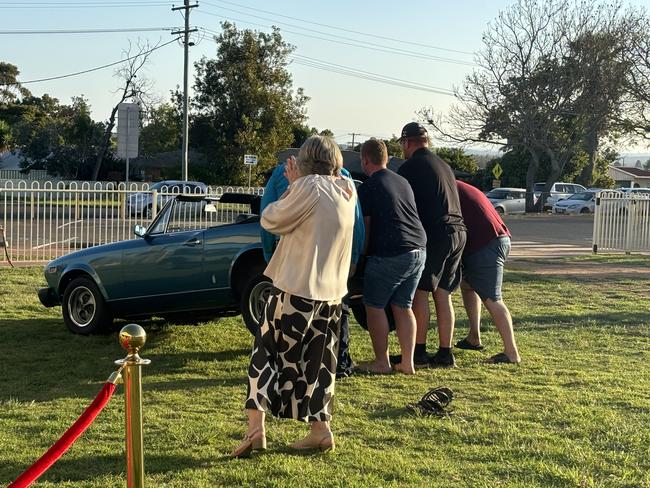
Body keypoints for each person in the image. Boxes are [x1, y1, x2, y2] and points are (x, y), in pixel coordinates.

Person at [232, 135, 357, 458]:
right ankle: (320, 430)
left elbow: (271, 218)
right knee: (320, 363)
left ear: (304, 161)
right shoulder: (347, 189)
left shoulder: (309, 187)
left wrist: (293, 185)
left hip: (295, 290)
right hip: (331, 294)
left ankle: (255, 430)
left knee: (266, 356)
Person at [260, 152, 365, 378]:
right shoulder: (345, 183)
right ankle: (341, 363)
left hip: (296, 272)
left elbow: (267, 216)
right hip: (332, 274)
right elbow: (356, 223)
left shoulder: (286, 176)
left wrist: (269, 254)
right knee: (326, 337)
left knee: (277, 346)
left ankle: (284, 381)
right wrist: (353, 257)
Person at [395, 122, 466, 368]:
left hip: (436, 232)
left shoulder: (411, 167)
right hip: (458, 230)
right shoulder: (443, 165)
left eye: (402, 144)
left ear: (407, 142)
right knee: (443, 293)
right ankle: (445, 353)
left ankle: (419, 352)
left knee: (421, 292)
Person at [355, 138, 426, 375]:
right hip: (418, 249)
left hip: (391, 252)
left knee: (373, 305)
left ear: (365, 160)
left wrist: (361, 258)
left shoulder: (368, 187)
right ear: (386, 158)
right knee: (403, 305)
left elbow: (366, 226)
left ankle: (381, 362)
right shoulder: (403, 182)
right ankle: (408, 362)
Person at [455, 180, 521, 364]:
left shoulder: (446, 188)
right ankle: (474, 337)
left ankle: (511, 353)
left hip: (487, 243)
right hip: (495, 238)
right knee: (467, 286)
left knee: (493, 298)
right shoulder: (460, 186)